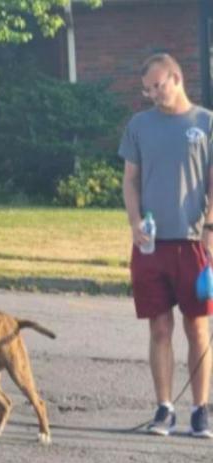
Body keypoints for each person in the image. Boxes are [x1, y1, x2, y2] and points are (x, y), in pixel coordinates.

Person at [120, 53, 213, 438]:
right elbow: (130, 180)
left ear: (176, 78)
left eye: (158, 85)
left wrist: (210, 226)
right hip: (151, 244)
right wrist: (134, 221)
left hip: (194, 243)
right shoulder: (140, 126)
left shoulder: (205, 123)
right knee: (159, 328)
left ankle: (201, 410)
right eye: (147, 89)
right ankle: (164, 409)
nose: (153, 94)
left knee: (197, 328)